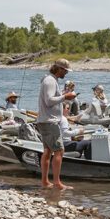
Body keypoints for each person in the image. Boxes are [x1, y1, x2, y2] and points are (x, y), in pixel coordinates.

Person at [37, 59, 77, 189]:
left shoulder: (49, 80)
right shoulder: (50, 80)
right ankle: (57, 182)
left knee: (48, 151)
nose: (66, 73)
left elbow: (50, 98)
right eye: (65, 71)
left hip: (45, 121)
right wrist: (65, 97)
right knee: (59, 150)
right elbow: (49, 101)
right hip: (50, 122)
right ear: (59, 69)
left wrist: (63, 95)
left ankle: (45, 182)